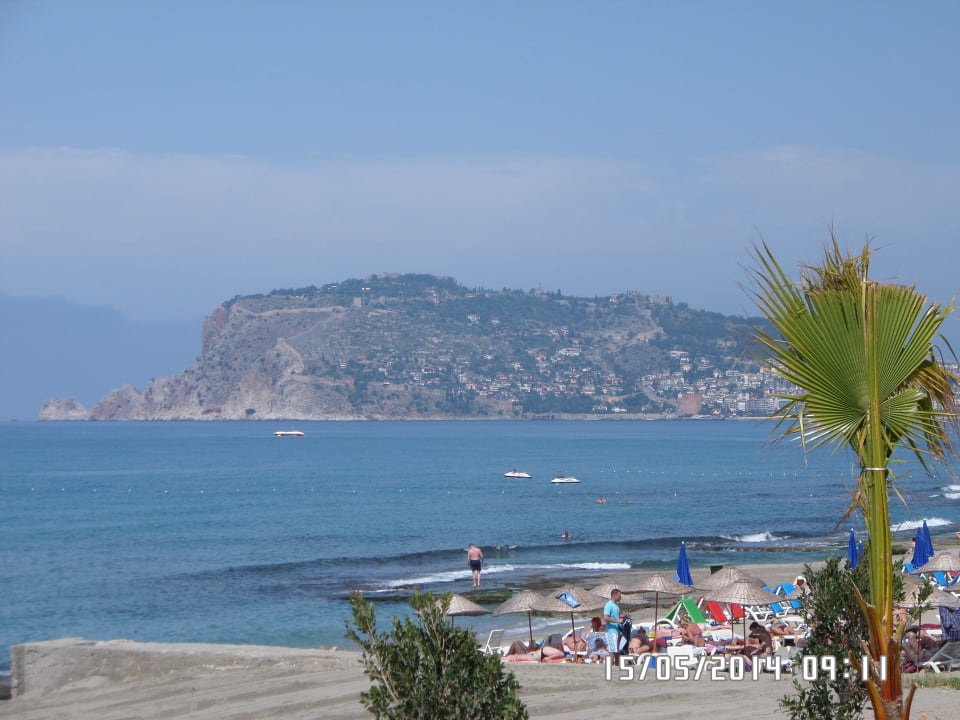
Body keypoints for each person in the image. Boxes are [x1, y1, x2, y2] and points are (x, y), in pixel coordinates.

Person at [603, 588, 623, 660]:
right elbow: (606, 618)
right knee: (613, 651)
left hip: (617, 630)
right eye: (619, 596)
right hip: (611, 631)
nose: (620, 597)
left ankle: (617, 666)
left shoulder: (616, 605)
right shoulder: (609, 605)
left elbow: (616, 616)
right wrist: (617, 621)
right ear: (614, 596)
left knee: (616, 650)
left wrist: (623, 616)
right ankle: (611, 667)